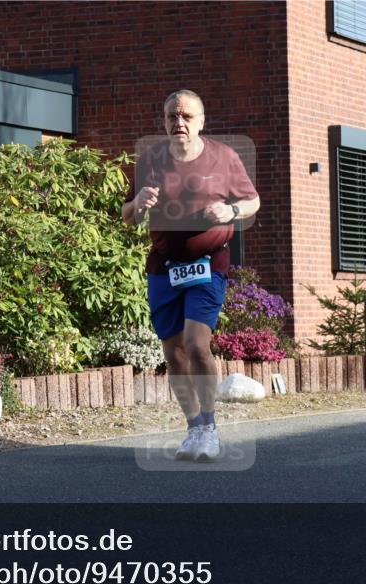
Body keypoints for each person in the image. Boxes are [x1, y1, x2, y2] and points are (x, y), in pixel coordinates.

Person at [122, 90, 260, 462]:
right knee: (173, 352)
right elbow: (128, 215)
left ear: (201, 122)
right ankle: (194, 426)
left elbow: (253, 201)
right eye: (172, 116)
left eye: (186, 116)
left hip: (208, 265)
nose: (178, 123)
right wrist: (138, 204)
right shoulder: (150, 160)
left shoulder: (224, 157)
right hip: (164, 267)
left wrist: (231, 211)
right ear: (164, 121)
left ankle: (210, 427)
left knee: (197, 344)